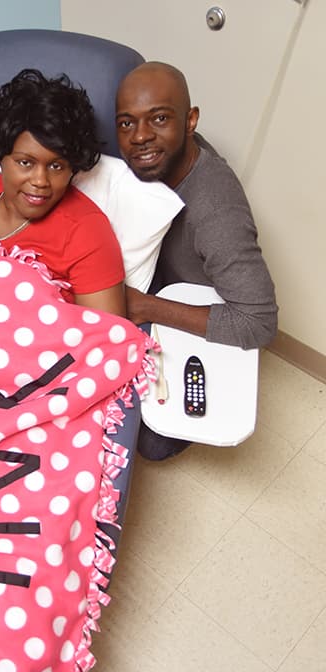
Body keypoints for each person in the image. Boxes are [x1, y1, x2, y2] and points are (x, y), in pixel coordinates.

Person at [114, 61, 278, 460]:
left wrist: (145, 306)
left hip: (183, 300)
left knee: (151, 443)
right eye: (126, 123)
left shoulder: (216, 210)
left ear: (190, 121)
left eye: (159, 119)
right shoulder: (145, 160)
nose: (140, 137)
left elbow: (260, 323)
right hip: (152, 278)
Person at [0, 68, 127, 316]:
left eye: (56, 166)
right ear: (2, 157)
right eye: (25, 163)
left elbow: (106, 338)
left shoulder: (86, 230)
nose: (41, 181)